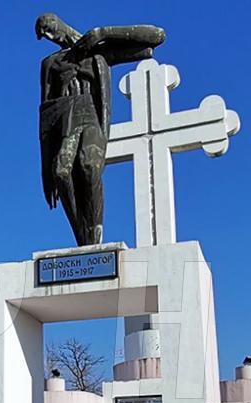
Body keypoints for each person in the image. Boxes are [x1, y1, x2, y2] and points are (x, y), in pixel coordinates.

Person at [35, 13, 165, 246]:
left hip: (90, 113)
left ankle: (95, 233)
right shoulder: (50, 63)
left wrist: (103, 33)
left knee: (88, 166)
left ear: (59, 21)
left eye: (47, 27)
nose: (47, 34)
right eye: (42, 33)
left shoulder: (97, 51)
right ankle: (83, 238)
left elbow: (155, 39)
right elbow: (45, 112)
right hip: (65, 117)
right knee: (61, 172)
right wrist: (44, 166)